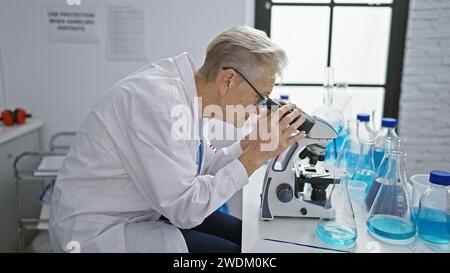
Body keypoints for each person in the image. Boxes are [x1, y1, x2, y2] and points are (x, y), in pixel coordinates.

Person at [49, 25, 306, 253]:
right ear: (228, 80)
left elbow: (201, 166)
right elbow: (185, 211)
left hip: (144, 209)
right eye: (260, 97)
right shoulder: (158, 106)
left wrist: (248, 145)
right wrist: (254, 157)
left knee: (247, 237)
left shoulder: (188, 93)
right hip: (97, 231)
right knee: (237, 253)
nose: (259, 107)